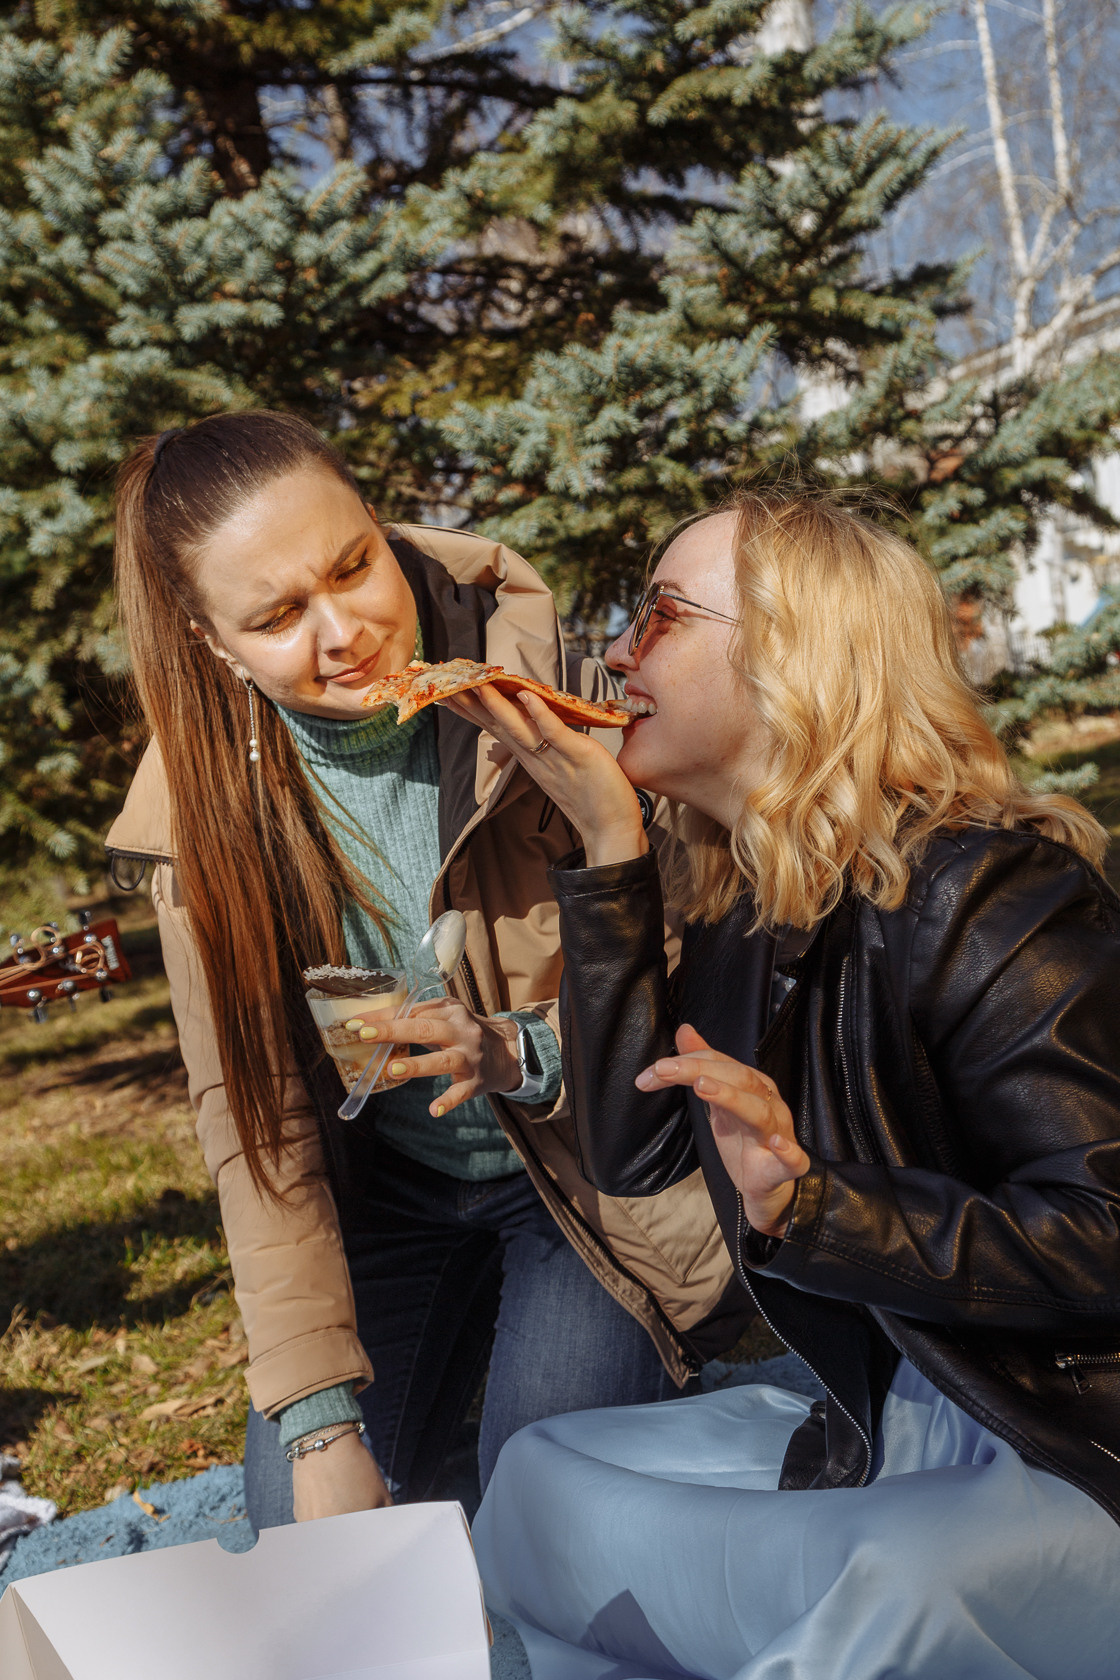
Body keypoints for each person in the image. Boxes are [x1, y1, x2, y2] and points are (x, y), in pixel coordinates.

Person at [448, 489, 1120, 1679]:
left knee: (892, 1590)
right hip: (893, 1420)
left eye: (657, 616)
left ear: (791, 657)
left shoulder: (996, 898)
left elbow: (1107, 1239)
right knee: (540, 1486)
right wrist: (611, 850)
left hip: (1067, 1449)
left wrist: (816, 1212)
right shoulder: (749, 906)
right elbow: (632, 1152)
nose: (612, 652)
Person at [104, 412, 750, 1531]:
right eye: (275, 616)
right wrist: (317, 1424)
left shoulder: (546, 687)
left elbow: (696, 981)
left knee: (544, 1513)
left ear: (384, 529)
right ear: (215, 644)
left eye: (353, 566)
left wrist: (517, 1049)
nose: (346, 631)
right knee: (311, 1521)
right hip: (391, 1197)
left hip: (579, 1180)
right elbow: (251, 1129)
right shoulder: (197, 819)